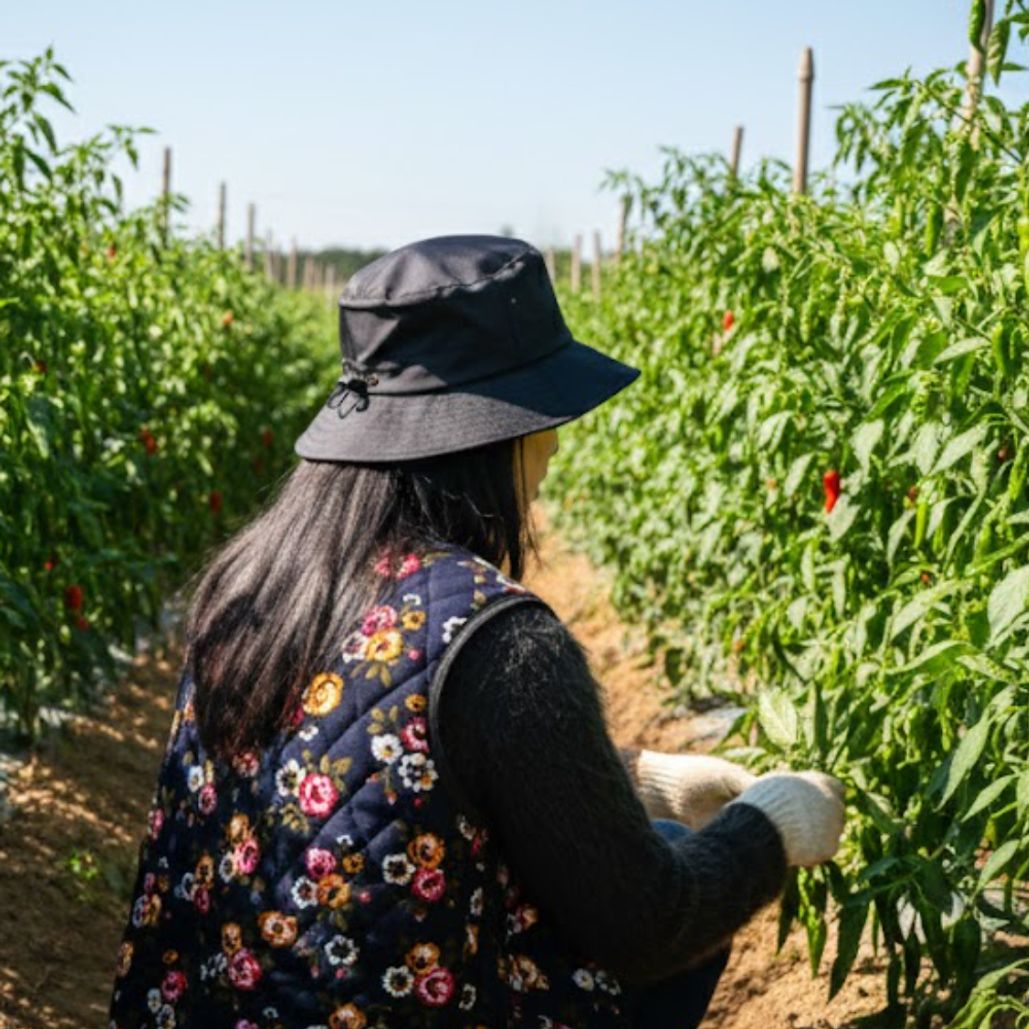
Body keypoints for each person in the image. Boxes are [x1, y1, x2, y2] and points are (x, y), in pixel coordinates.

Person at [107, 235, 845, 1029]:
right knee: (667, 886)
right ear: (491, 434)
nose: (555, 444)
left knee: (657, 828)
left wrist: (632, 775)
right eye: (546, 417)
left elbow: (362, 764)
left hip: (204, 1005)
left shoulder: (247, 582)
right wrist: (770, 824)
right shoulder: (495, 637)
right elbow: (646, 924)